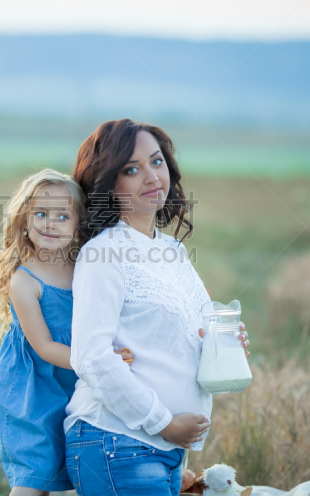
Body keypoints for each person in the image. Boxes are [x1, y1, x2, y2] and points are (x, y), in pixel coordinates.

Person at [64, 119, 251, 496]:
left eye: (156, 161)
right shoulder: (103, 252)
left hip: (164, 452)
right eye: (131, 169)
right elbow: (92, 357)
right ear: (108, 183)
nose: (151, 176)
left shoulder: (173, 252)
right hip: (117, 442)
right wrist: (163, 423)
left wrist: (220, 345)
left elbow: (188, 335)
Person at [0, 169, 135, 496]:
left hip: (77, 378)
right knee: (36, 472)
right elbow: (43, 346)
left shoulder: (86, 267)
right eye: (40, 213)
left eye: (62, 216)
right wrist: (99, 362)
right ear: (24, 222)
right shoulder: (25, 280)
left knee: (75, 462)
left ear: (78, 223)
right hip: (36, 388)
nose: (50, 223)